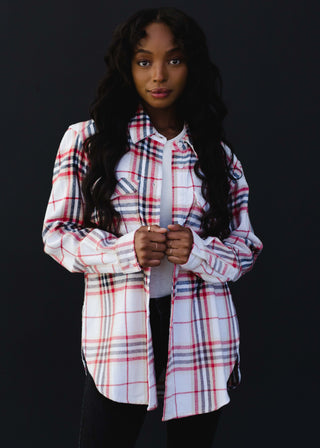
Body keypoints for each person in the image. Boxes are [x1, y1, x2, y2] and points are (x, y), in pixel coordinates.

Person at [42, 7, 263, 448]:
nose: (159, 75)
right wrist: (125, 250)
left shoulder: (218, 157)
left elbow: (246, 248)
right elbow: (57, 234)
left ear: (191, 66)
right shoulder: (88, 141)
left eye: (174, 60)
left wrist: (198, 251)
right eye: (145, 61)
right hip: (120, 336)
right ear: (128, 66)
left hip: (202, 333)